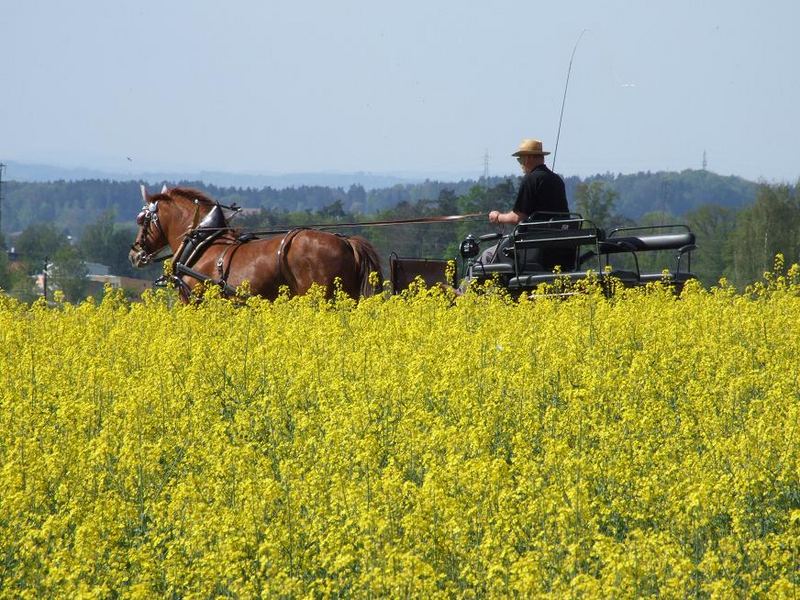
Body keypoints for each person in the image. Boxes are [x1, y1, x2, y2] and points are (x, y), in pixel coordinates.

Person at [481, 138, 569, 264]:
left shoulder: (531, 179)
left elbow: (518, 217)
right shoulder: (557, 180)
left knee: (486, 256)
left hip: (532, 245)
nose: (520, 163)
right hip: (556, 245)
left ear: (528, 158)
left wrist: (498, 217)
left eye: (520, 159)